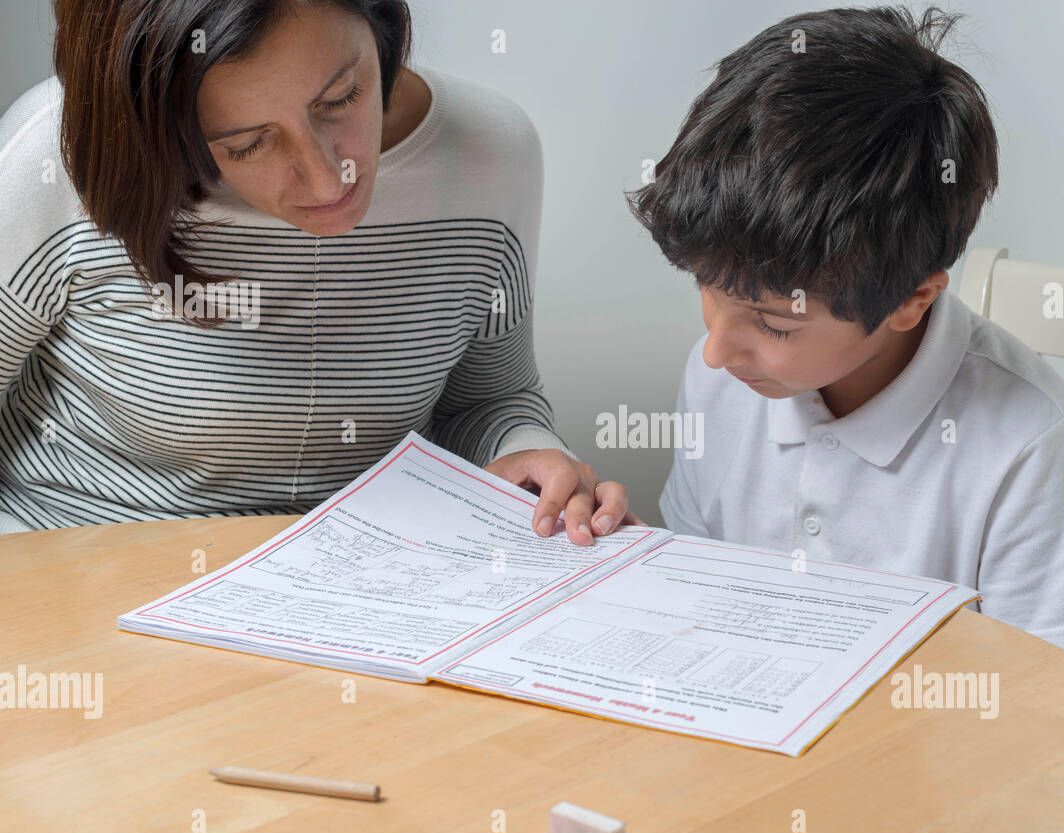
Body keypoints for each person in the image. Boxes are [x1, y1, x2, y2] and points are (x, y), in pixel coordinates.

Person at [628, 6, 1064, 658]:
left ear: (911, 300)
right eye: (706, 290)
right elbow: (703, 603)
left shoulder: (1028, 450)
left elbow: (1050, 720)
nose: (715, 349)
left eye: (772, 321)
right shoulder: (727, 380)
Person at [0, 0, 635, 543]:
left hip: (363, 600)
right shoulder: (53, 160)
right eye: (248, 144)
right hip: (77, 576)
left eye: (342, 98)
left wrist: (524, 451)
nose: (331, 178)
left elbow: (490, 399)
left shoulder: (490, 153)